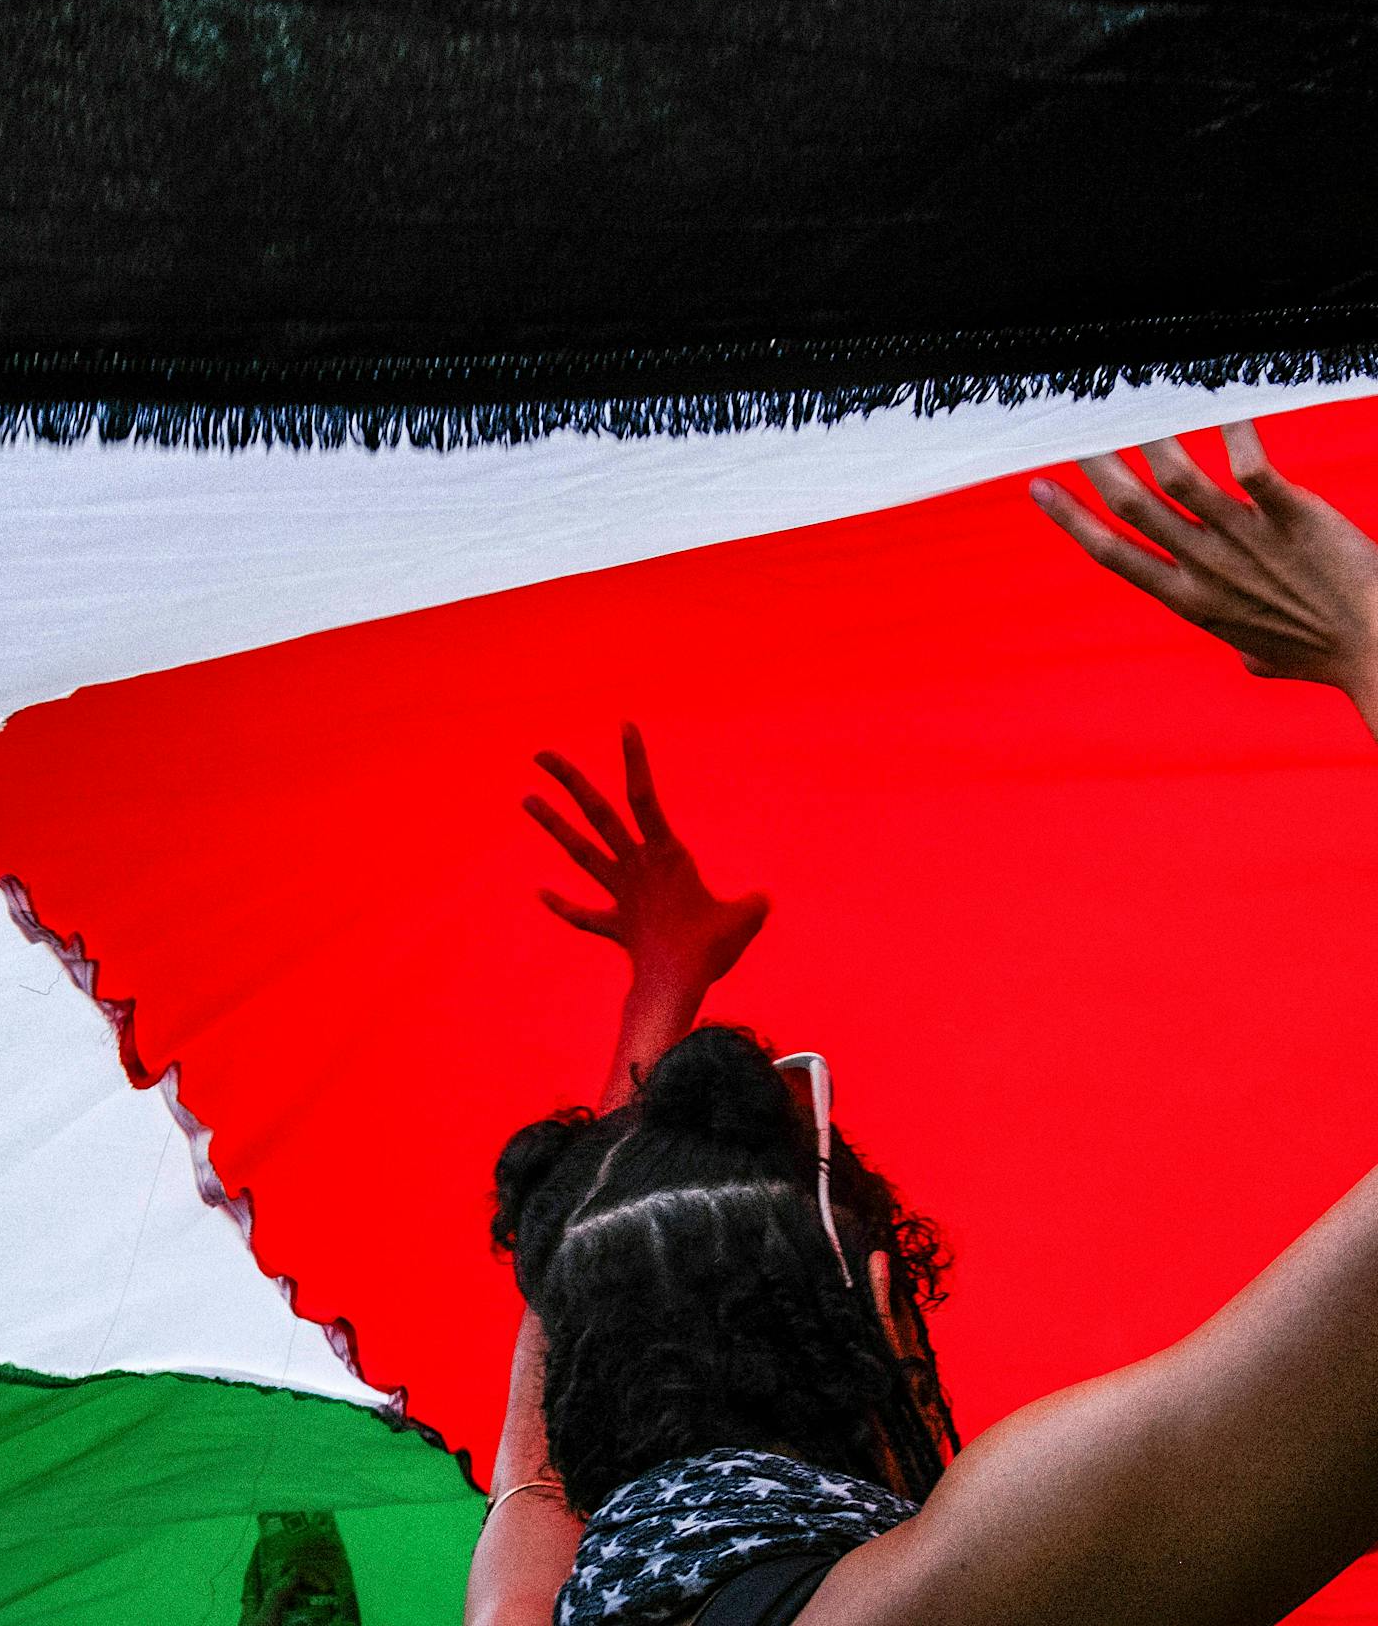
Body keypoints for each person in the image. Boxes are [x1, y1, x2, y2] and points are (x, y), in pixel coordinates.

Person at [465, 419, 1378, 1626]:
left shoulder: (538, 1604)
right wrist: (1359, 629)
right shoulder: (960, 1588)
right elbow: (578, 1296)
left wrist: (662, 982)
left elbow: (570, 1341)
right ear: (879, 1309)